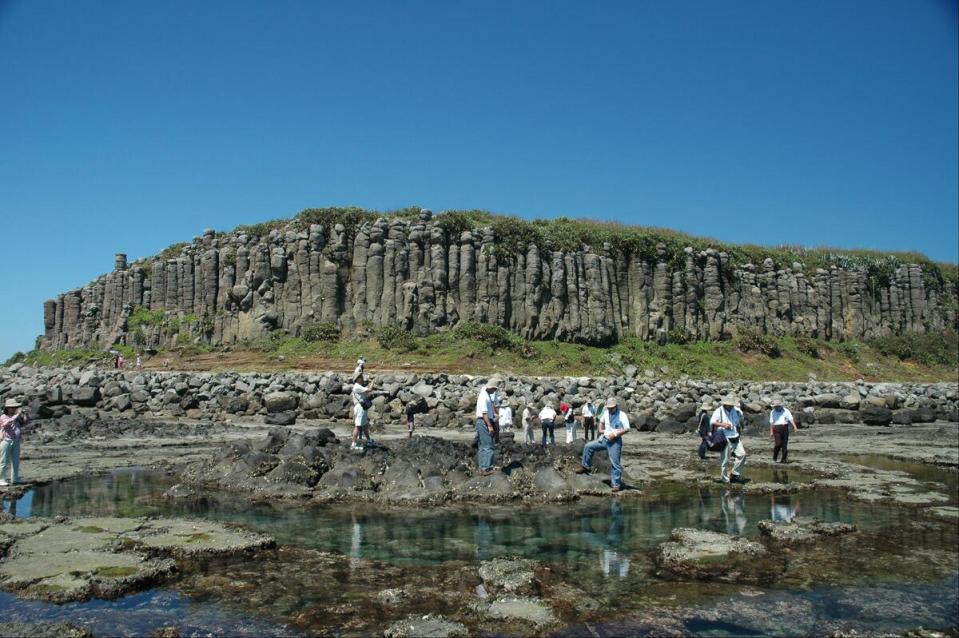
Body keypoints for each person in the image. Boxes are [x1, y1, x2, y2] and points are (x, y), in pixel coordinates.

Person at [574, 397, 631, 493]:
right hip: (604, 439)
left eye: (611, 407)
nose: (609, 409)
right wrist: (601, 430)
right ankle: (585, 466)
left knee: (615, 464)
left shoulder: (622, 415)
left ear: (616, 406)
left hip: (615, 441)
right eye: (608, 407)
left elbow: (627, 428)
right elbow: (601, 422)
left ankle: (616, 484)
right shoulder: (606, 413)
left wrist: (615, 434)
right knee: (588, 446)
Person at [712, 395, 746, 483]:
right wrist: (723, 425)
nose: (731, 406)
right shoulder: (718, 411)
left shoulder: (735, 410)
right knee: (725, 460)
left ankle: (735, 473)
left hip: (735, 436)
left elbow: (737, 421)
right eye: (729, 405)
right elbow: (712, 422)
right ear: (725, 404)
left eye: (732, 405)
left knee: (742, 455)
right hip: (725, 437)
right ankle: (725, 479)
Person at [475, 377, 501, 476]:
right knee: (488, 445)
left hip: (483, 421)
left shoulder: (486, 395)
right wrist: (490, 425)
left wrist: (494, 416)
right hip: (484, 421)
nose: (495, 390)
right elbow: (484, 413)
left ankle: (482, 468)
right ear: (490, 387)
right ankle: (486, 468)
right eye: (494, 388)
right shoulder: (484, 396)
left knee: (482, 446)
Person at [0, 398, 28, 486]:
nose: (14, 409)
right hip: (6, 441)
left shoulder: (17, 416)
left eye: (15, 407)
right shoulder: (3, 417)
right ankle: (1, 479)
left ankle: (15, 479)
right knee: (4, 461)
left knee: (15, 461)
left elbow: (25, 423)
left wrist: (24, 415)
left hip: (16, 441)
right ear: (7, 408)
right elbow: (5, 425)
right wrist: (16, 415)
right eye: (12, 407)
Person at [768, 396, 797, 463]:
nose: (776, 408)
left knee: (784, 445)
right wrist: (771, 432)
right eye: (775, 407)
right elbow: (771, 422)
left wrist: (795, 427)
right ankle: (775, 456)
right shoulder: (772, 412)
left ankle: (783, 459)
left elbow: (791, 419)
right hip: (776, 428)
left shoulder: (786, 410)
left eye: (777, 406)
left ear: (780, 406)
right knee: (778, 444)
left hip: (785, 428)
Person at [350, 374, 374, 450]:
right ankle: (353, 443)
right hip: (360, 407)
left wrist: (370, 383)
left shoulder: (358, 387)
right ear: (358, 379)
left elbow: (367, 389)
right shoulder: (357, 386)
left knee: (365, 425)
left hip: (361, 407)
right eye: (361, 378)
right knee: (358, 426)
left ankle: (369, 440)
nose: (363, 379)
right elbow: (370, 390)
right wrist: (372, 381)